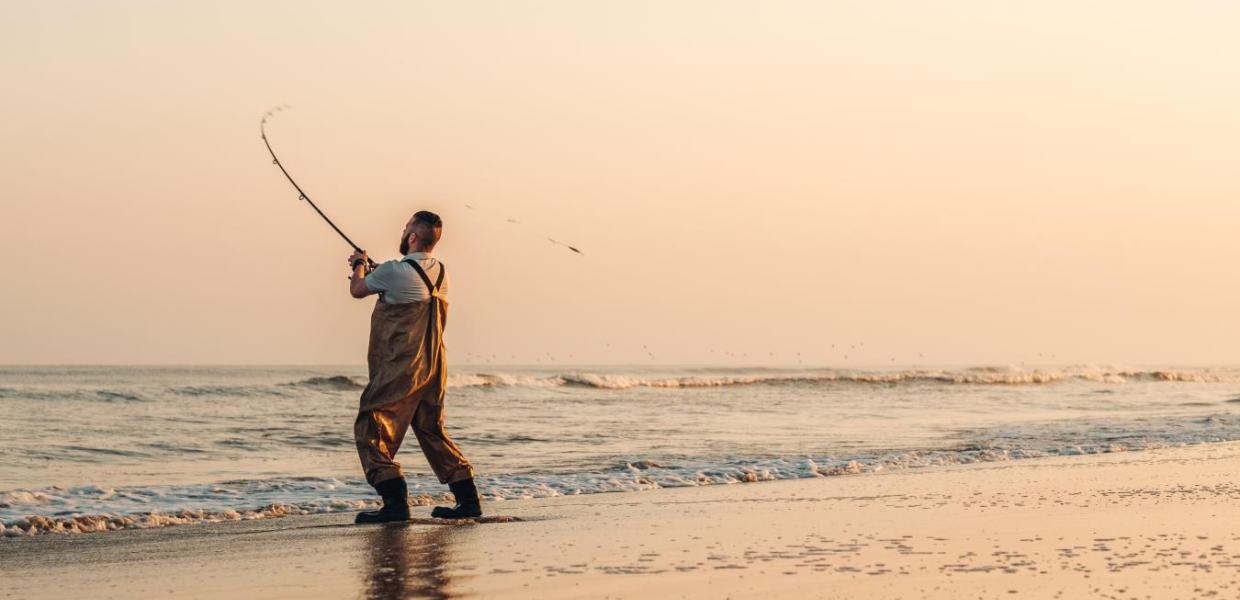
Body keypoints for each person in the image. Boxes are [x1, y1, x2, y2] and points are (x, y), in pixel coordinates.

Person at [346, 210, 481, 523]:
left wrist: (358, 265)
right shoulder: (441, 273)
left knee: (371, 424)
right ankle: (468, 500)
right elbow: (406, 286)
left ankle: (395, 502)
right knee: (430, 428)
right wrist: (375, 271)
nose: (403, 230)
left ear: (412, 236)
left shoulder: (395, 270)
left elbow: (357, 290)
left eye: (406, 226)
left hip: (403, 364)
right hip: (435, 364)